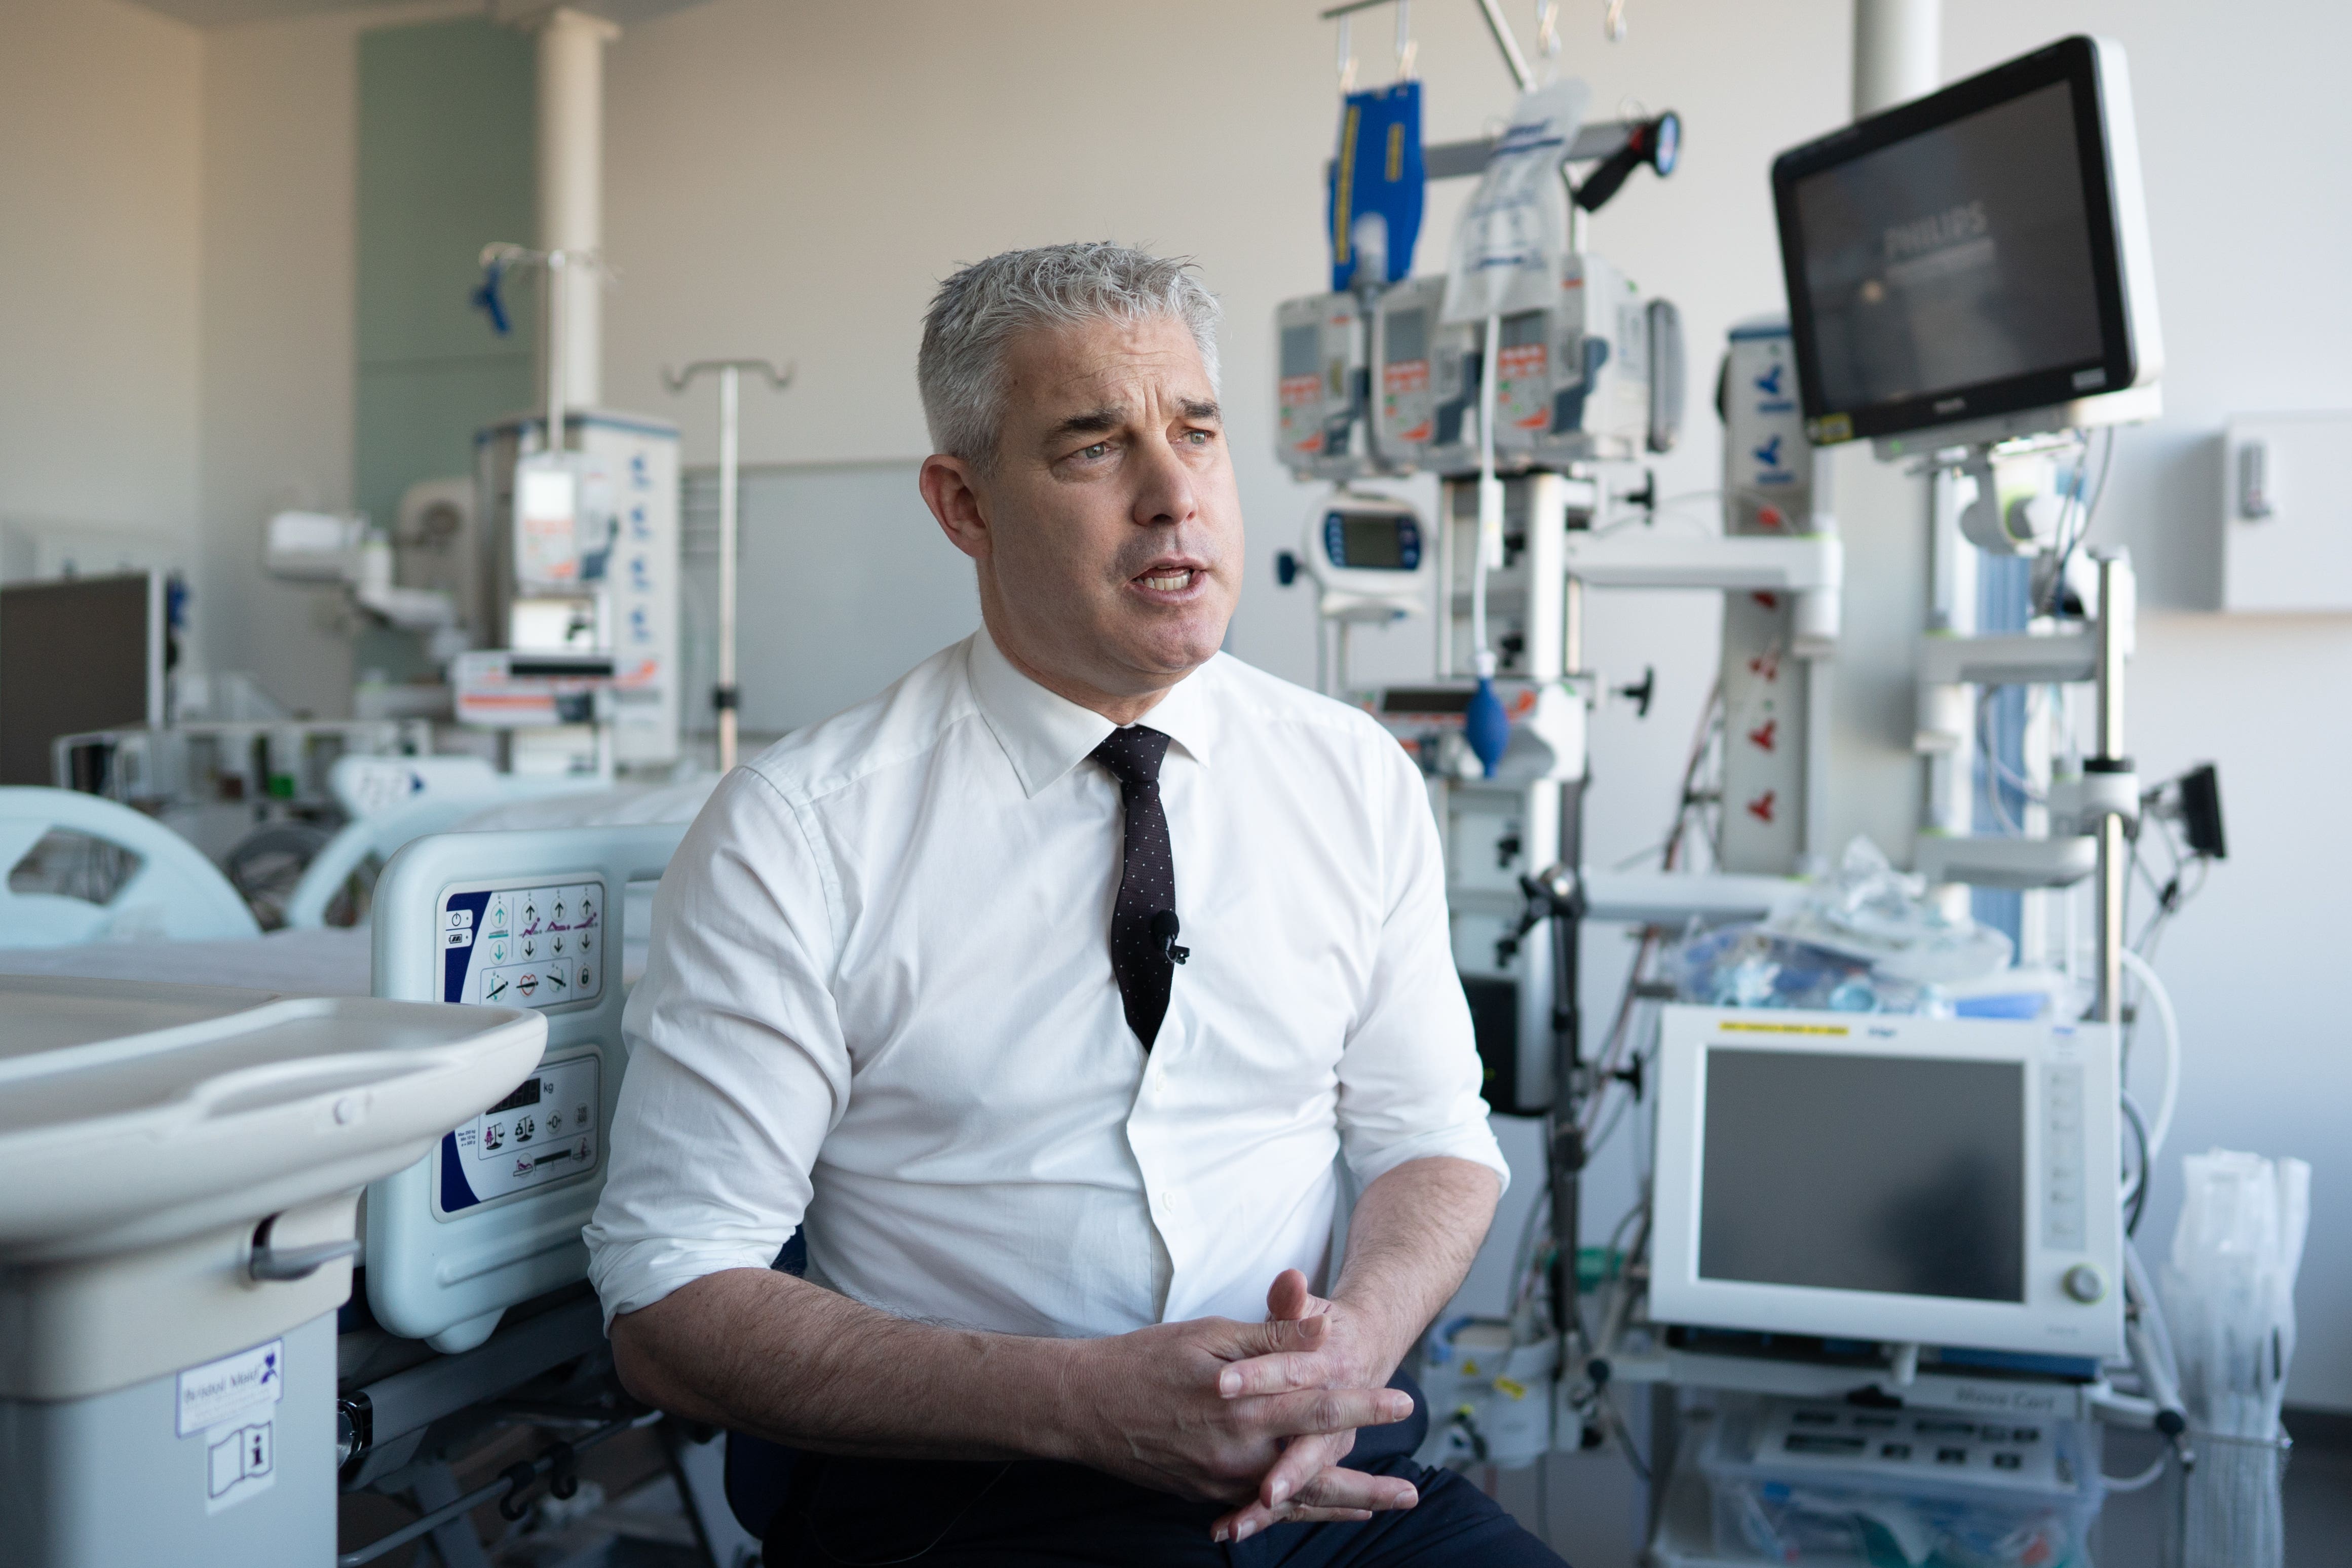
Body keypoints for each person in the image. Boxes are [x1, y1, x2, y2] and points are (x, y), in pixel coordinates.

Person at [586, 241, 1566, 1566]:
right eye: (1094, 447)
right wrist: (1081, 1404)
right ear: (963, 503)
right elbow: (669, 1300)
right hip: (978, 1498)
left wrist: (1351, 1354)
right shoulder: (801, 832)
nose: (1175, 498)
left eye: (1198, 433)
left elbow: (1431, 1142)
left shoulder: (1350, 778)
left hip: (1328, 1481)